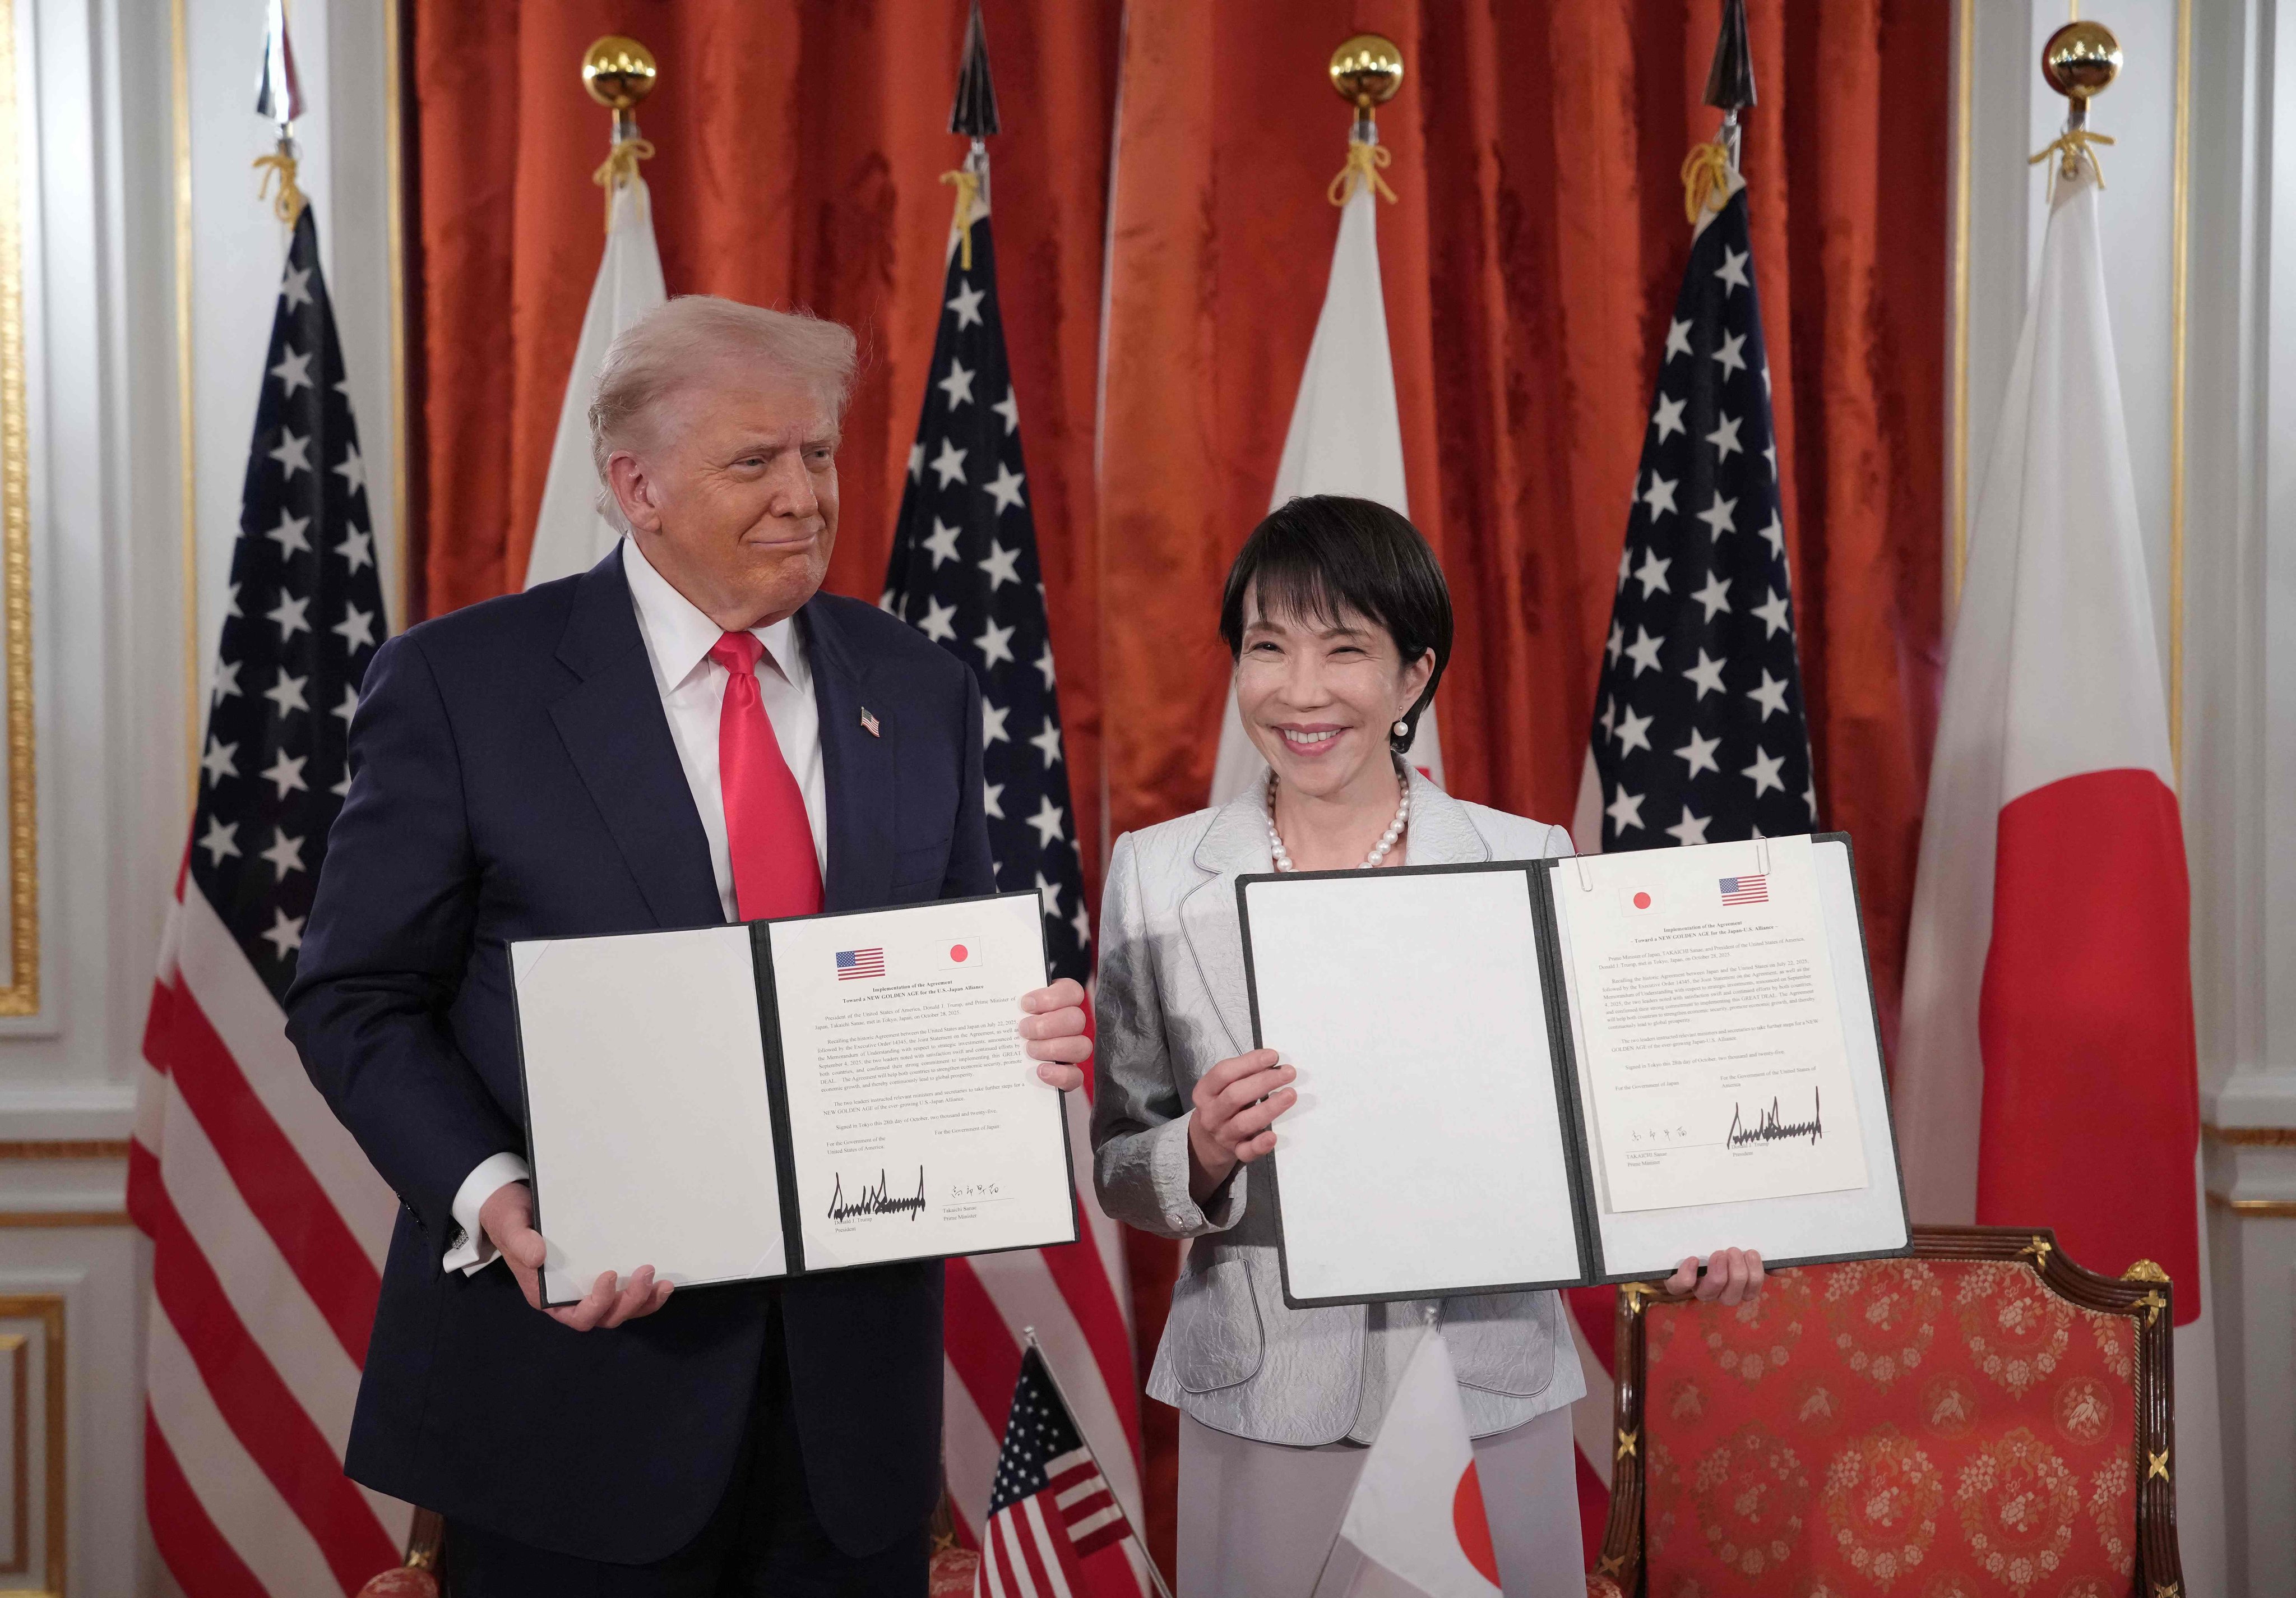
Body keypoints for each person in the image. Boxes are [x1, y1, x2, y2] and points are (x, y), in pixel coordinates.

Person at [286, 295, 1091, 1595]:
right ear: (637, 487)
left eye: (818, 453)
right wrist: (497, 1199)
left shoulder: (919, 687)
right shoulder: (462, 687)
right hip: (568, 1396)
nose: (803, 497)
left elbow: (947, 967)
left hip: (851, 1420)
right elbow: (355, 996)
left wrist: (1020, 1032)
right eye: (753, 461)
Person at [1090, 495, 1765, 1597]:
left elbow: (1603, 1132)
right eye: (1268, 647)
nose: (1300, 690)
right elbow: (1121, 1158)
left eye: (1344, 650)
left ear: (1413, 677)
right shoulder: (1156, 873)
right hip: (1261, 1395)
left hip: (1485, 1387)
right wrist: (1199, 1151)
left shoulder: (1528, 859)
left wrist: (1690, 1234)